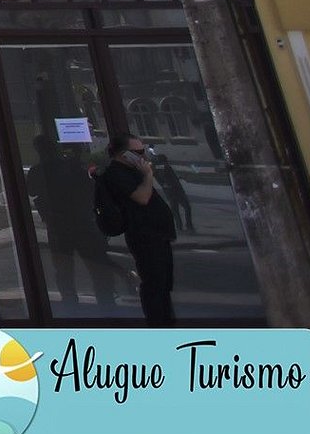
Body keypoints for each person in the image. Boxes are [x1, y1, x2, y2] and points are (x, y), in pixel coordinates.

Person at [24, 135, 125, 308]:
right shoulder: (70, 166)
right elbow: (90, 188)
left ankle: (73, 303)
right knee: (93, 267)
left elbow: (32, 190)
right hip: (78, 223)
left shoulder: (41, 170)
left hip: (62, 225)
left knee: (66, 270)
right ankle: (105, 302)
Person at [100, 133, 177, 326]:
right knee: (154, 284)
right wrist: (148, 175)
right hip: (144, 236)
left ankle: (166, 321)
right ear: (124, 154)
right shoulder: (116, 173)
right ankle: (158, 324)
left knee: (163, 284)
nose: (143, 156)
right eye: (138, 152)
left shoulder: (132, 171)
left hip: (157, 234)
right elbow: (142, 197)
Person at [152, 153, 194, 234]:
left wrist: (164, 184)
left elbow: (160, 179)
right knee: (186, 207)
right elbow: (167, 178)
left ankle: (179, 227)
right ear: (164, 161)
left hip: (169, 192)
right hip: (176, 190)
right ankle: (188, 226)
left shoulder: (157, 169)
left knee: (175, 209)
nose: (167, 162)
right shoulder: (165, 167)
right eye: (165, 161)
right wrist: (170, 183)